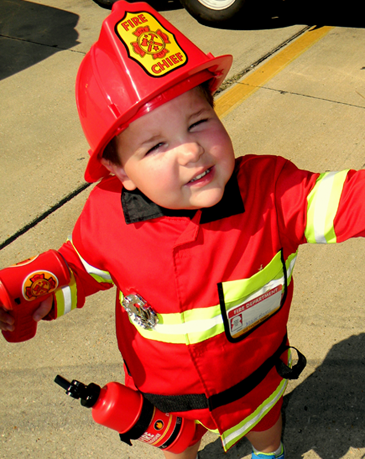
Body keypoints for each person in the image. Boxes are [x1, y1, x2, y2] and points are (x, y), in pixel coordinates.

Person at [1, 1, 364, 459]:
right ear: (118, 170)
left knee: (267, 430)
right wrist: (40, 295)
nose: (191, 150)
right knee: (179, 449)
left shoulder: (273, 194)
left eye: (199, 122)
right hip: (163, 400)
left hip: (254, 380)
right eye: (155, 145)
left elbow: (350, 200)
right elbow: (82, 267)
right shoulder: (107, 215)